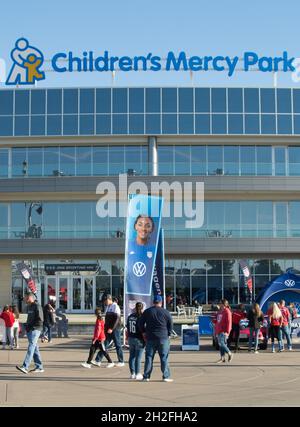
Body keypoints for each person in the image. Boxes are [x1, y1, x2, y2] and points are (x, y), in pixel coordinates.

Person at [138, 295, 174, 382]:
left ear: (153, 302)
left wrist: (143, 332)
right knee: (164, 357)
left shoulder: (147, 311)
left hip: (150, 338)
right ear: (161, 302)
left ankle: (146, 376)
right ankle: (165, 376)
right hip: (163, 338)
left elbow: (140, 323)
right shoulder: (166, 312)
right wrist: (168, 334)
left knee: (149, 357)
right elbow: (171, 325)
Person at [126, 215, 156, 296]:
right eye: (140, 224)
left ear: (152, 229)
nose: (143, 229)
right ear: (135, 226)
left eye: (148, 226)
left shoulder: (154, 248)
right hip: (132, 291)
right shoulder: (128, 246)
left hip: (147, 292)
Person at [16, 292, 44, 374]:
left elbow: (40, 319)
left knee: (31, 346)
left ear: (29, 298)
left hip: (35, 329)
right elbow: (28, 318)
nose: (24, 299)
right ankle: (39, 367)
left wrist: (32, 327)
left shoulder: (37, 306)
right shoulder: (28, 307)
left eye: (25, 298)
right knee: (35, 348)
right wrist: (26, 325)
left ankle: (25, 366)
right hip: (30, 329)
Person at [93, 295, 124, 367]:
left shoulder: (115, 306)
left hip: (115, 329)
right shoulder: (108, 307)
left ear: (108, 299)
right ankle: (98, 360)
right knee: (104, 345)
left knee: (118, 344)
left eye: (104, 301)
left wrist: (112, 328)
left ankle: (121, 361)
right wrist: (105, 328)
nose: (104, 302)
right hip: (108, 329)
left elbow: (117, 318)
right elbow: (107, 319)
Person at [126, 302, 145, 380]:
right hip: (139, 338)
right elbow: (143, 329)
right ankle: (138, 373)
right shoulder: (141, 317)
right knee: (138, 357)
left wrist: (127, 338)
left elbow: (127, 328)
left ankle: (132, 373)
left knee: (132, 357)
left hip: (131, 338)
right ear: (142, 308)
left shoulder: (130, 316)